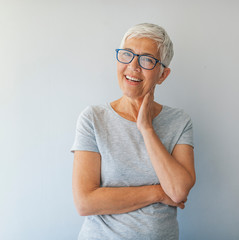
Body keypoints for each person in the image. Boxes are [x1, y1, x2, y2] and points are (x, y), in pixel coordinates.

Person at [71, 23, 196, 240]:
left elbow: (177, 191)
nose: (133, 66)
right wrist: (157, 192)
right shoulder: (93, 119)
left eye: (147, 59)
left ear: (163, 75)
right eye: (127, 55)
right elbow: (85, 202)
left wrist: (146, 129)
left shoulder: (179, 122)